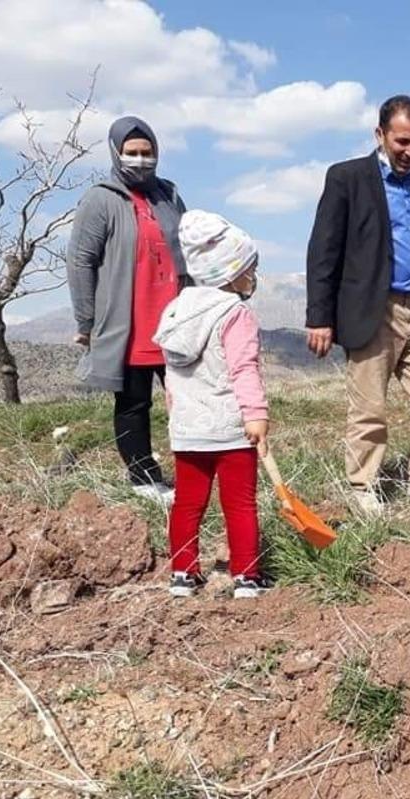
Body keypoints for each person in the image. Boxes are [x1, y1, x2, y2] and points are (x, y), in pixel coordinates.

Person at [305, 94, 410, 516]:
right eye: (402, 141)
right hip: (372, 306)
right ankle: (363, 485)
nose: (409, 151)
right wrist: (320, 316)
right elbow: (323, 249)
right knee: (369, 407)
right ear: (380, 134)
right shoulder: (346, 178)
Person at [153, 210, 272, 600]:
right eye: (249, 268)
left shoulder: (175, 311)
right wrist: (255, 416)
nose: (253, 276)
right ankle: (246, 576)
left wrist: (180, 417)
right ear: (230, 271)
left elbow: (171, 379)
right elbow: (243, 369)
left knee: (188, 503)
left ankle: (183, 574)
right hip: (230, 430)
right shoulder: (235, 313)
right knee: (239, 504)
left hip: (187, 431)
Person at [67, 116, 186, 503]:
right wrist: (86, 319)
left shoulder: (168, 195)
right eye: (132, 153)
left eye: (147, 152)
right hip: (130, 322)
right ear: (117, 153)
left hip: (176, 319)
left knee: (187, 399)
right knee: (134, 402)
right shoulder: (100, 198)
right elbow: (81, 260)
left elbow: (190, 246)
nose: (140, 160)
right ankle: (144, 478)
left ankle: (194, 471)